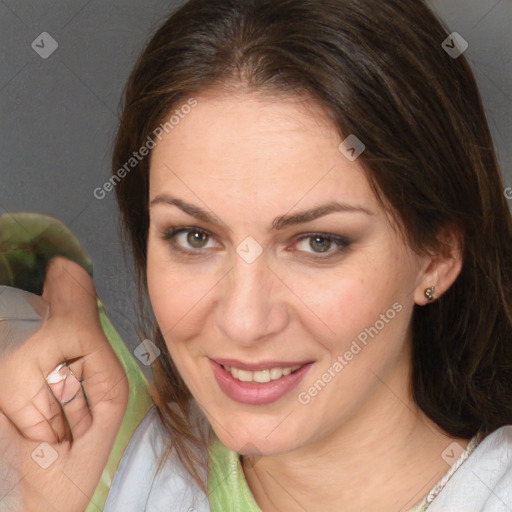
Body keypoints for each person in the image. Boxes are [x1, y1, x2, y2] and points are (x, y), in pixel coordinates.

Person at [1, 0, 512, 510]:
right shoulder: (91, 453)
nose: (244, 322)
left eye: (318, 243)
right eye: (194, 237)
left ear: (437, 257)